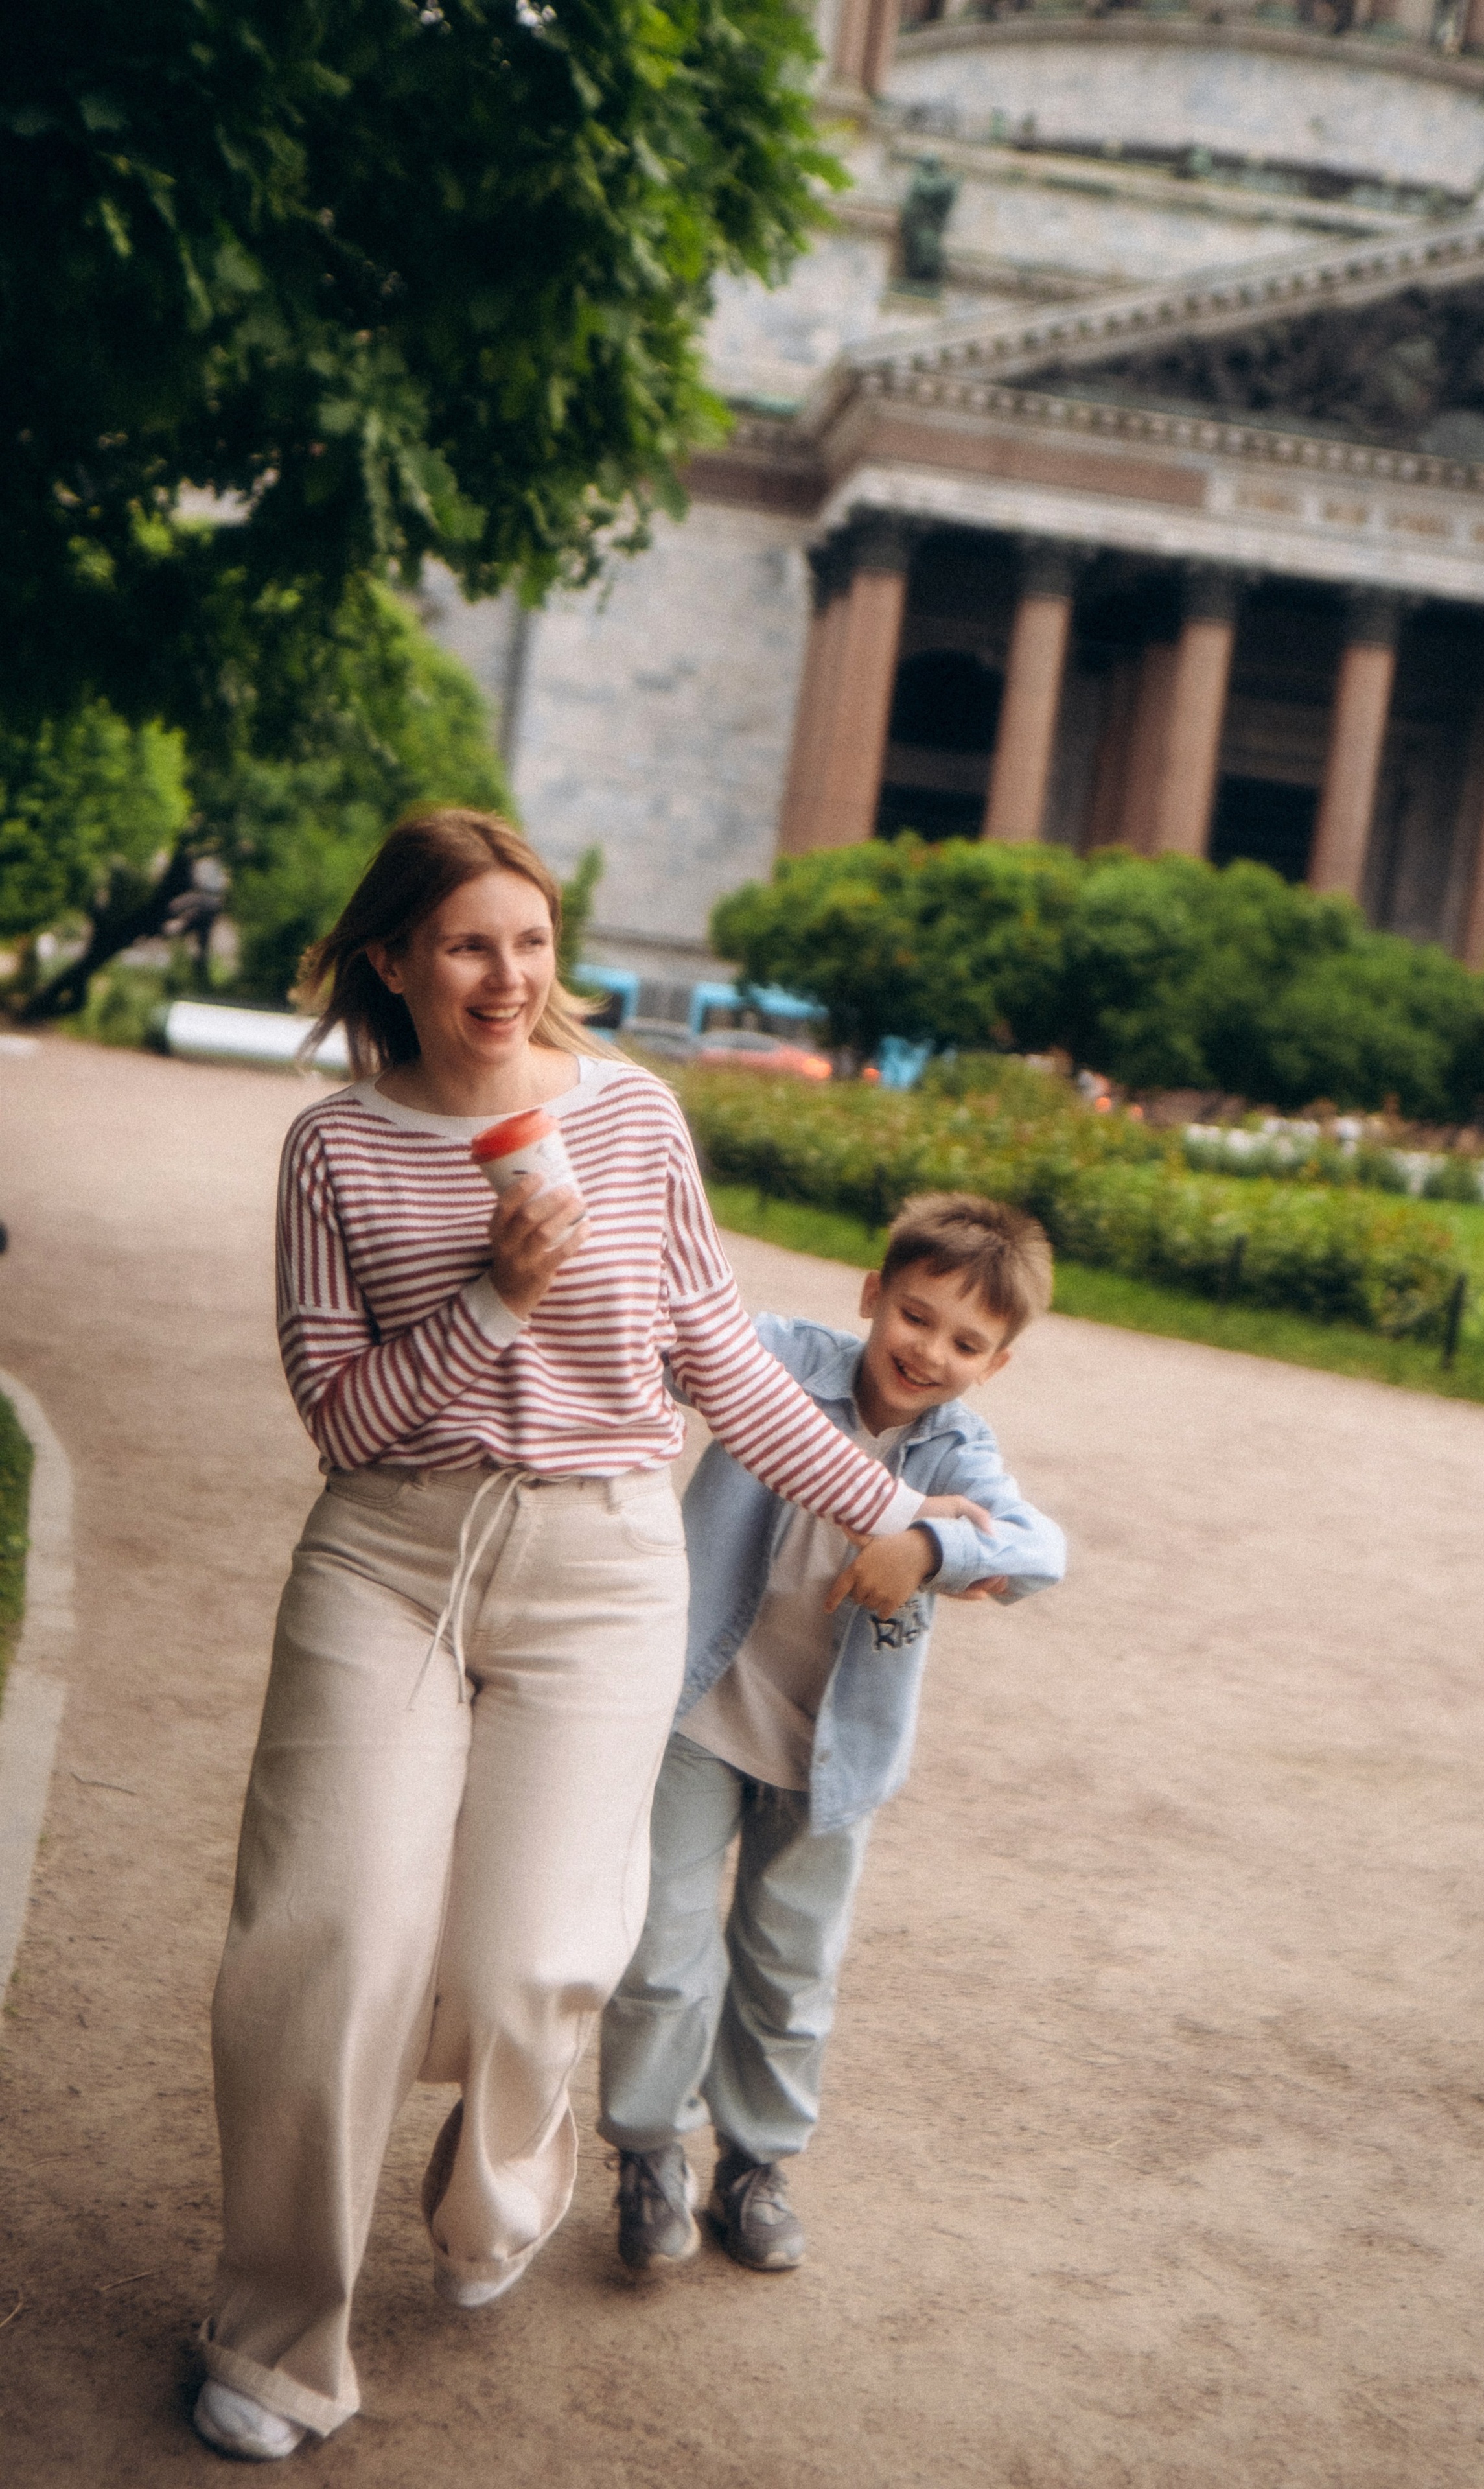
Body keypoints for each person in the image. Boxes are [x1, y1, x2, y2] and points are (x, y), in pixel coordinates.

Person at [192, 811, 988, 2462]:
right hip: (388, 1560)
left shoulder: (630, 1114)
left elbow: (719, 1356)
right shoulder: (335, 1150)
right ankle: (275, 2340)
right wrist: (488, 1298)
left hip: (601, 1562)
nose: (510, 976)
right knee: (321, 1941)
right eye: (471, 945)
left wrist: (884, 1513)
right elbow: (342, 1422)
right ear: (394, 960)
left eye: (534, 941)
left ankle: (499, 2183)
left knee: (528, 1957)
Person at [597, 1193, 1065, 2277]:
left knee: (789, 1967)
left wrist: (934, 1549)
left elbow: (1042, 1552)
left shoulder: (958, 1454)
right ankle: (648, 2150)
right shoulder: (781, 1359)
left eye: (966, 1343)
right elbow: (669, 1343)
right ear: (872, 1296)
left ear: (995, 1364)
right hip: (696, 1717)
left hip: (831, 1759)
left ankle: (755, 2165)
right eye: (915, 1316)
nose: (929, 1352)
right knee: (661, 1951)